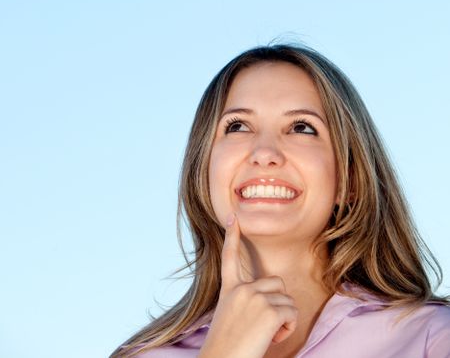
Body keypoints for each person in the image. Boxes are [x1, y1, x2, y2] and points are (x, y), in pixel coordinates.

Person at [109, 43, 450, 357]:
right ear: (204, 171)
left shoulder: (432, 336)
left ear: (351, 182)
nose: (264, 153)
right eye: (238, 126)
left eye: (302, 127)